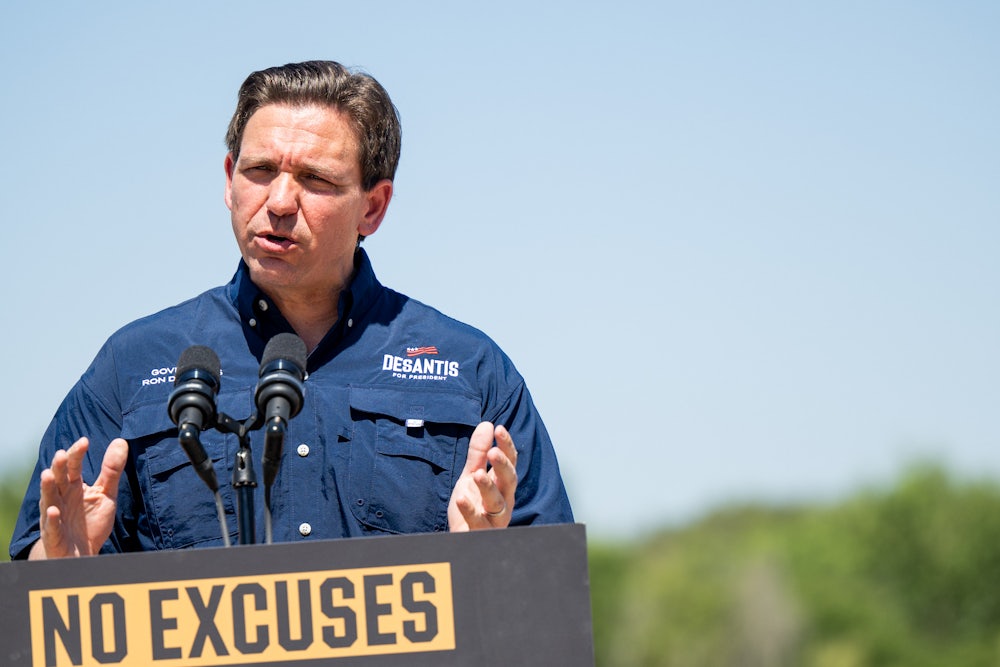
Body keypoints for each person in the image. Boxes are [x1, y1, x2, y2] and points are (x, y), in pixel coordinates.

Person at [9, 60, 573, 560]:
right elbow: (42, 603)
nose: (278, 202)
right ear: (229, 181)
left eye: (315, 179)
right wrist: (59, 572)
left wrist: (486, 562)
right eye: (259, 171)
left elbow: (545, 601)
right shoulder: (132, 366)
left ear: (372, 207)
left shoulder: (470, 370)